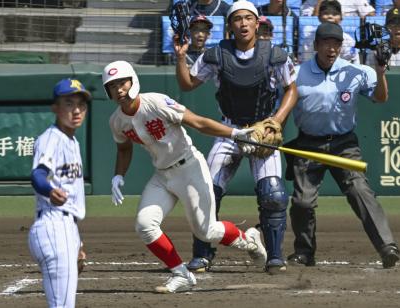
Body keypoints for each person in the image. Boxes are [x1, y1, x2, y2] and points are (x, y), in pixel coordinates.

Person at [103, 60, 267, 293]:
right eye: (112, 86)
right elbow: (123, 149)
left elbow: (198, 122)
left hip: (189, 168)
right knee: (144, 225)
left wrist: (235, 133)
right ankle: (181, 275)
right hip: (162, 175)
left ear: (133, 81)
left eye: (122, 83)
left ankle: (249, 240)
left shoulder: (156, 102)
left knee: (206, 231)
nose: (118, 89)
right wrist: (118, 176)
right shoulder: (116, 121)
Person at [174, 0, 298, 274]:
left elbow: (292, 90)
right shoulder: (216, 55)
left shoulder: (274, 54)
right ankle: (203, 253)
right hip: (229, 131)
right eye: (237, 19)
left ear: (257, 22)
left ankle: (275, 256)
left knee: (274, 194)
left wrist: (275, 122)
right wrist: (181, 57)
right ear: (229, 25)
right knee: (207, 192)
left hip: (262, 132)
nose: (243, 23)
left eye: (248, 18)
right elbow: (187, 84)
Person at [286, 22, 399, 269]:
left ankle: (387, 247)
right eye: (326, 43)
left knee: (360, 190)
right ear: (316, 45)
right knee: (302, 202)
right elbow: (283, 105)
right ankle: (304, 252)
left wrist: (380, 72)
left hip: (343, 143)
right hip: (308, 144)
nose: (332, 48)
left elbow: (380, 98)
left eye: (336, 43)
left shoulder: (356, 71)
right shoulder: (297, 73)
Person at [28, 78, 91, 308]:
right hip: (53, 227)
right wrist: (50, 190)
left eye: (81, 105)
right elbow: (38, 175)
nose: (76, 111)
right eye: (69, 103)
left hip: (66, 228)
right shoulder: (51, 139)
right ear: (55, 107)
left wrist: (77, 241)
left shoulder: (71, 141)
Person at [301, 0, 375, 17]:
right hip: (320, 38)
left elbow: (371, 14)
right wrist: (320, 2)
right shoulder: (308, 3)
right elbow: (310, 24)